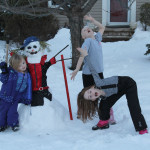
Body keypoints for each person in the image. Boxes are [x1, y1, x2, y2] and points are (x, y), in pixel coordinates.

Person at [77, 48, 148, 135]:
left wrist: (86, 55)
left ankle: (142, 128)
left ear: (91, 88)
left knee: (133, 106)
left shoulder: (98, 82)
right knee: (103, 106)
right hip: (117, 91)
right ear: (93, 99)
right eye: (90, 97)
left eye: (89, 92)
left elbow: (92, 68)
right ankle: (104, 121)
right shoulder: (102, 96)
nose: (91, 94)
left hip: (128, 84)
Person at [71, 14, 116, 124]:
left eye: (87, 28)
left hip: (99, 73)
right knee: (87, 94)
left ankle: (108, 113)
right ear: (83, 36)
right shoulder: (87, 41)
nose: (87, 29)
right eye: (84, 31)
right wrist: (77, 69)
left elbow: (102, 28)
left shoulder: (96, 39)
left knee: (103, 93)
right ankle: (83, 110)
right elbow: (82, 55)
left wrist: (92, 20)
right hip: (88, 74)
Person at [0, 53, 32, 132]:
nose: (23, 66)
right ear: (14, 67)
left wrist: (27, 98)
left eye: (23, 63)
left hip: (16, 97)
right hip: (6, 96)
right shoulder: (11, 73)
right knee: (3, 111)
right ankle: (1, 125)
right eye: (19, 65)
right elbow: (3, 79)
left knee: (12, 111)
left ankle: (14, 124)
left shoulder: (27, 74)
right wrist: (4, 71)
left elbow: (28, 87)